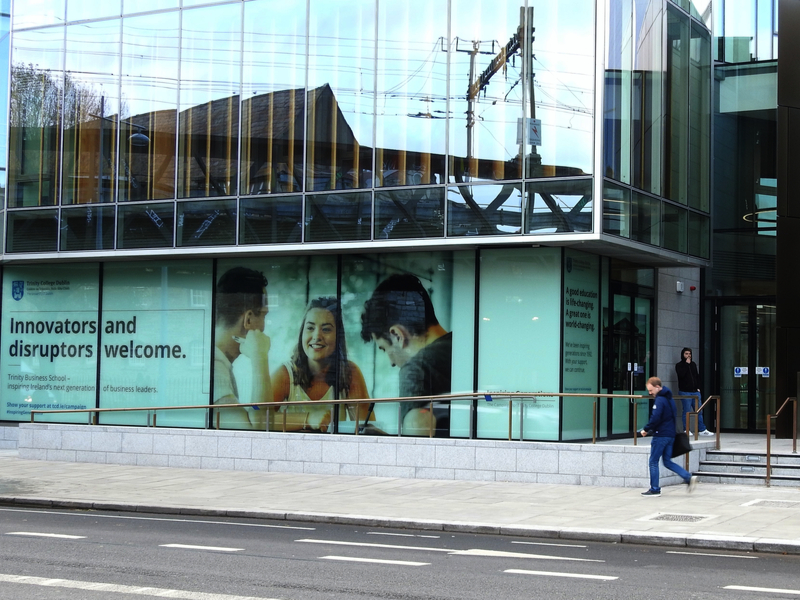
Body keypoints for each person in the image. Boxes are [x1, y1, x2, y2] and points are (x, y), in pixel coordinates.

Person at [360, 273, 451, 435]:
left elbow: (414, 451)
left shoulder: (417, 369)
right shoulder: (464, 348)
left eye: (384, 349)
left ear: (397, 335)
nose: (392, 362)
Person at [272, 297, 369, 432]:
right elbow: (259, 417)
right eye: (310, 328)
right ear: (302, 334)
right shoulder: (285, 374)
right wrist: (309, 419)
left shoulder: (349, 372)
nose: (317, 336)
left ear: (338, 336)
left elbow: (366, 427)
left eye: (326, 329)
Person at [213, 267, 271, 430]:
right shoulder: (215, 368)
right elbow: (258, 428)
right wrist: (260, 357)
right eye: (264, 315)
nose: (264, 326)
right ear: (249, 319)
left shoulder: (218, 362)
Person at [640, 376, 697, 497]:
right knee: (667, 461)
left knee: (653, 461)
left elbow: (655, 417)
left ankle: (654, 488)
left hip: (661, 435)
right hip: (670, 435)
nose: (650, 393)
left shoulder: (660, 400)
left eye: (651, 390)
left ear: (657, 387)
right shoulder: (669, 398)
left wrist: (646, 429)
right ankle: (687, 476)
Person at [675, 347, 713, 436]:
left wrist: (698, 387)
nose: (688, 356)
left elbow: (697, 376)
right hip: (685, 392)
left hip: (695, 391)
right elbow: (681, 375)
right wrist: (686, 365)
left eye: (689, 354)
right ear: (683, 355)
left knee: (699, 411)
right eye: (686, 354)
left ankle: (702, 429)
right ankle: (686, 429)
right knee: (687, 411)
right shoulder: (679, 365)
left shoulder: (693, 364)